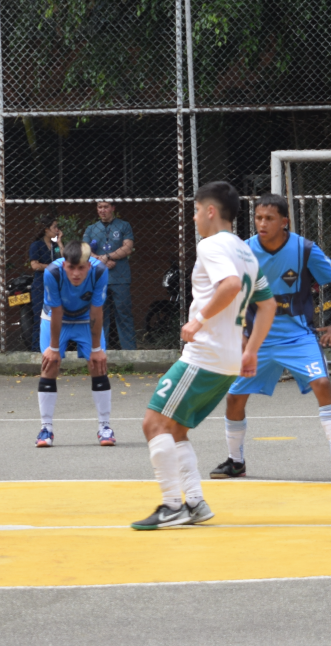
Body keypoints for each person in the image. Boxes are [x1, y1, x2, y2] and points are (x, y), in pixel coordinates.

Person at [133, 181, 276, 531]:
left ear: (210, 211)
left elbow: (228, 286)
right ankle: (195, 503)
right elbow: (268, 304)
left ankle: (171, 506)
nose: (194, 218)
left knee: (153, 424)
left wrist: (197, 320)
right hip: (227, 358)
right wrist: (251, 351)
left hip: (205, 354)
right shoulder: (246, 251)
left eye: (196, 210)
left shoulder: (211, 245)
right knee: (175, 429)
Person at [211, 194, 331, 482]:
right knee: (234, 397)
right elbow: (234, 293)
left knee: (323, 383)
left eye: (269, 218)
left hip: (298, 337)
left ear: (284, 221)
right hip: (258, 340)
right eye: (258, 218)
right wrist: (238, 331)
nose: (262, 223)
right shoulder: (244, 251)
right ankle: (235, 461)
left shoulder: (304, 249)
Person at [36, 241, 116, 447]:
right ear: (64, 265)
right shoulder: (52, 273)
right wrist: (53, 349)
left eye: (81, 268)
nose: (76, 274)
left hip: (86, 318)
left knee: (97, 364)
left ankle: (105, 427)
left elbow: (97, 310)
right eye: (71, 267)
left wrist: (97, 349)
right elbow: (57, 311)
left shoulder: (99, 271)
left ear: (89, 264)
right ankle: (46, 429)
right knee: (49, 364)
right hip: (55, 318)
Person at [82, 201, 136, 349]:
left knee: (124, 314)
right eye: (100, 207)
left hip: (120, 278)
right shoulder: (91, 229)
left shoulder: (124, 225)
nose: (103, 210)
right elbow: (84, 251)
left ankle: (130, 352)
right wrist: (102, 261)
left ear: (112, 208)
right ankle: (99, 351)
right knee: (99, 315)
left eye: (106, 207)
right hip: (98, 278)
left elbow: (128, 248)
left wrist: (107, 257)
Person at [25, 218, 63, 349]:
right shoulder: (36, 245)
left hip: (55, 285)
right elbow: (35, 265)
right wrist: (52, 266)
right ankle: (37, 348)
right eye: (55, 227)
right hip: (41, 284)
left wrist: (59, 241)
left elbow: (63, 261)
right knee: (40, 316)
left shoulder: (55, 246)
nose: (57, 230)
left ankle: (55, 347)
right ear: (46, 230)